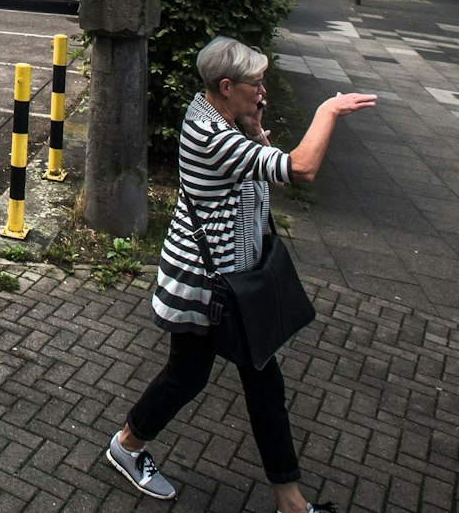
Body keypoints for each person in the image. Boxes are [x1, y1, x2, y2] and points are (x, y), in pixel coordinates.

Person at [104, 36, 375, 512]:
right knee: (219, 380)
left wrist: (254, 123)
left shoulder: (212, 110)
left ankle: (287, 501)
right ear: (225, 86)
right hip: (207, 287)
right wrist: (327, 112)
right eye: (257, 84)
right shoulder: (212, 135)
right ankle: (127, 446)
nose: (263, 91)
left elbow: (256, 172)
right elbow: (301, 169)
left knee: (219, 380)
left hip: (227, 283)